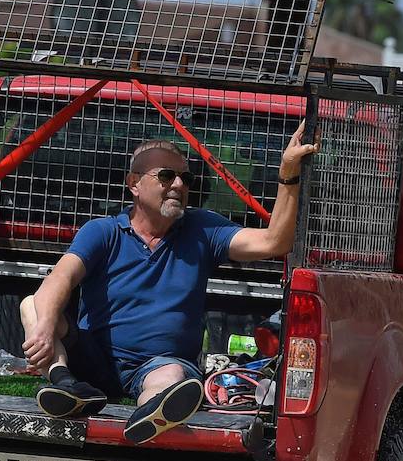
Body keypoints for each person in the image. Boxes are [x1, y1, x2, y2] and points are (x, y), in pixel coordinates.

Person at [20, 121, 317, 443]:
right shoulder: (102, 231)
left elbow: (274, 242)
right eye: (165, 175)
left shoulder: (202, 229)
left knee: (171, 376)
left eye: (185, 178)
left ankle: (150, 416)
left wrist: (288, 171)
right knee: (32, 306)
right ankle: (64, 383)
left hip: (159, 364)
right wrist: (46, 329)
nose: (178, 184)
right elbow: (61, 277)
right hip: (92, 358)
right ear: (134, 183)